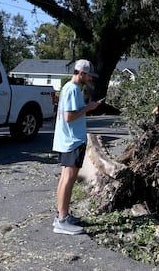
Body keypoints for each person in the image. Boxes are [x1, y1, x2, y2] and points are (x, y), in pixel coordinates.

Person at [52, 59, 101, 235]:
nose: (90, 78)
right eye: (89, 75)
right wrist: (89, 107)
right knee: (68, 179)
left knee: (65, 177)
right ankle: (62, 221)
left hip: (66, 140)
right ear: (81, 73)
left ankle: (61, 215)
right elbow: (69, 117)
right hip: (72, 141)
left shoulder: (67, 87)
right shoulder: (73, 89)